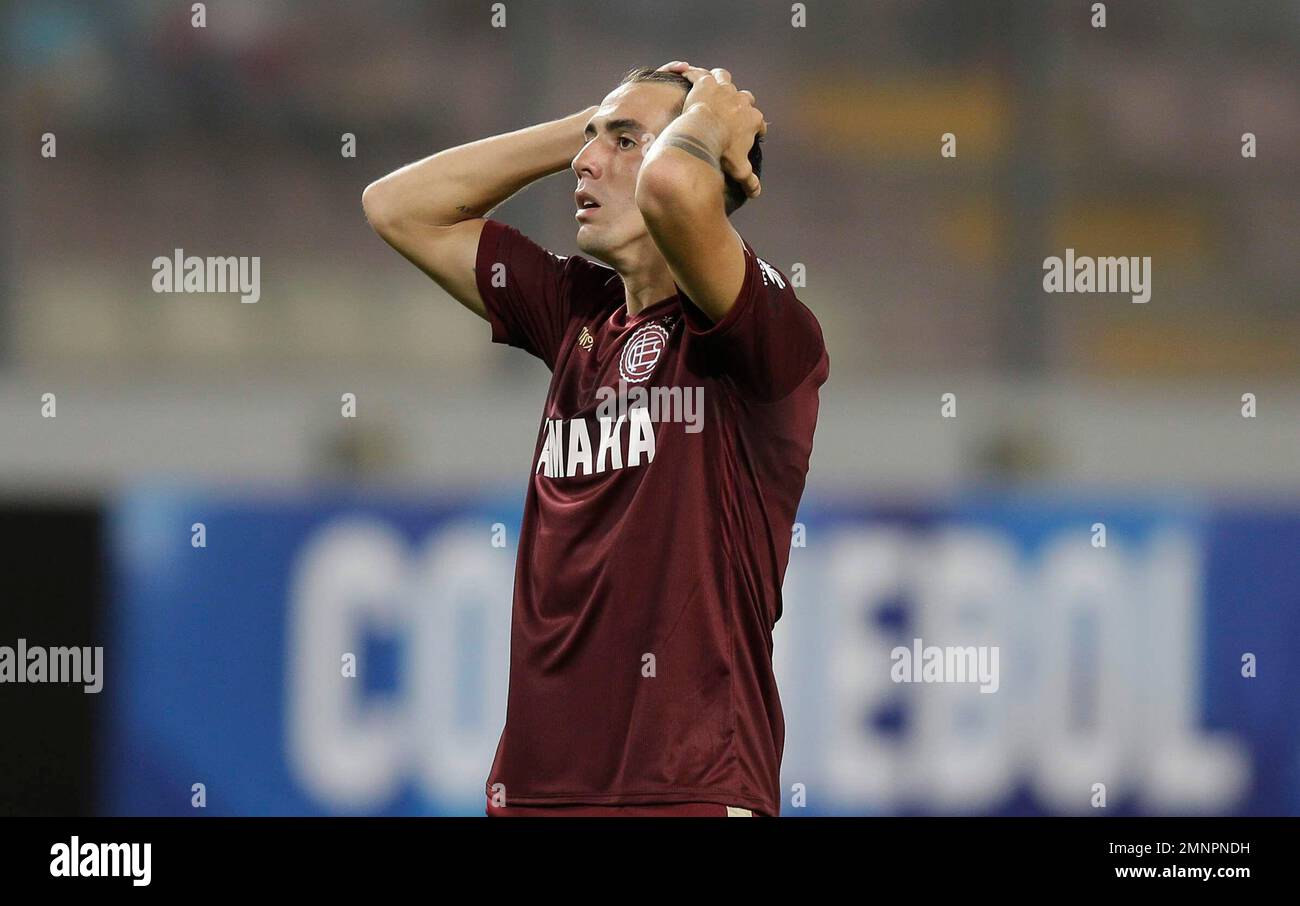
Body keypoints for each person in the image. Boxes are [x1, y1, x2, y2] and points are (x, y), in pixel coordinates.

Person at [363, 62, 828, 817]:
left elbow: (676, 192)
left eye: (624, 142)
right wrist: (583, 126)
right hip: (539, 794)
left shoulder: (763, 338)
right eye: (591, 142)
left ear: (711, 173)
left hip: (688, 790)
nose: (587, 162)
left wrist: (710, 108)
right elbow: (398, 206)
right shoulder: (579, 313)